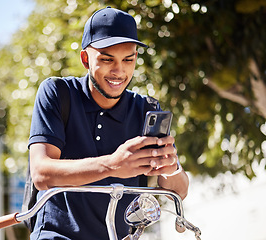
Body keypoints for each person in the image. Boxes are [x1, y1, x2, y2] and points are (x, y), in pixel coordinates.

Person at [28, 7, 189, 240]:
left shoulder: (146, 109)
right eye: (106, 59)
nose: (119, 71)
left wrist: (170, 166)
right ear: (85, 59)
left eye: (128, 59)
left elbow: (179, 191)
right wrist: (113, 165)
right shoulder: (56, 93)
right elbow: (42, 174)